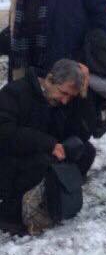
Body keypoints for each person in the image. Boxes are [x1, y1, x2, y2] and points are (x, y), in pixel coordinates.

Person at [0, 59, 96, 235]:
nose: (65, 101)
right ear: (50, 79)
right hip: (10, 159)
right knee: (42, 162)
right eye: (64, 93)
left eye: (71, 97)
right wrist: (47, 144)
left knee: (85, 151)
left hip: (43, 152)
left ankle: (53, 197)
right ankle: (11, 211)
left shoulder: (61, 100)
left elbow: (82, 133)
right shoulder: (15, 92)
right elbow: (5, 132)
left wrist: (83, 98)